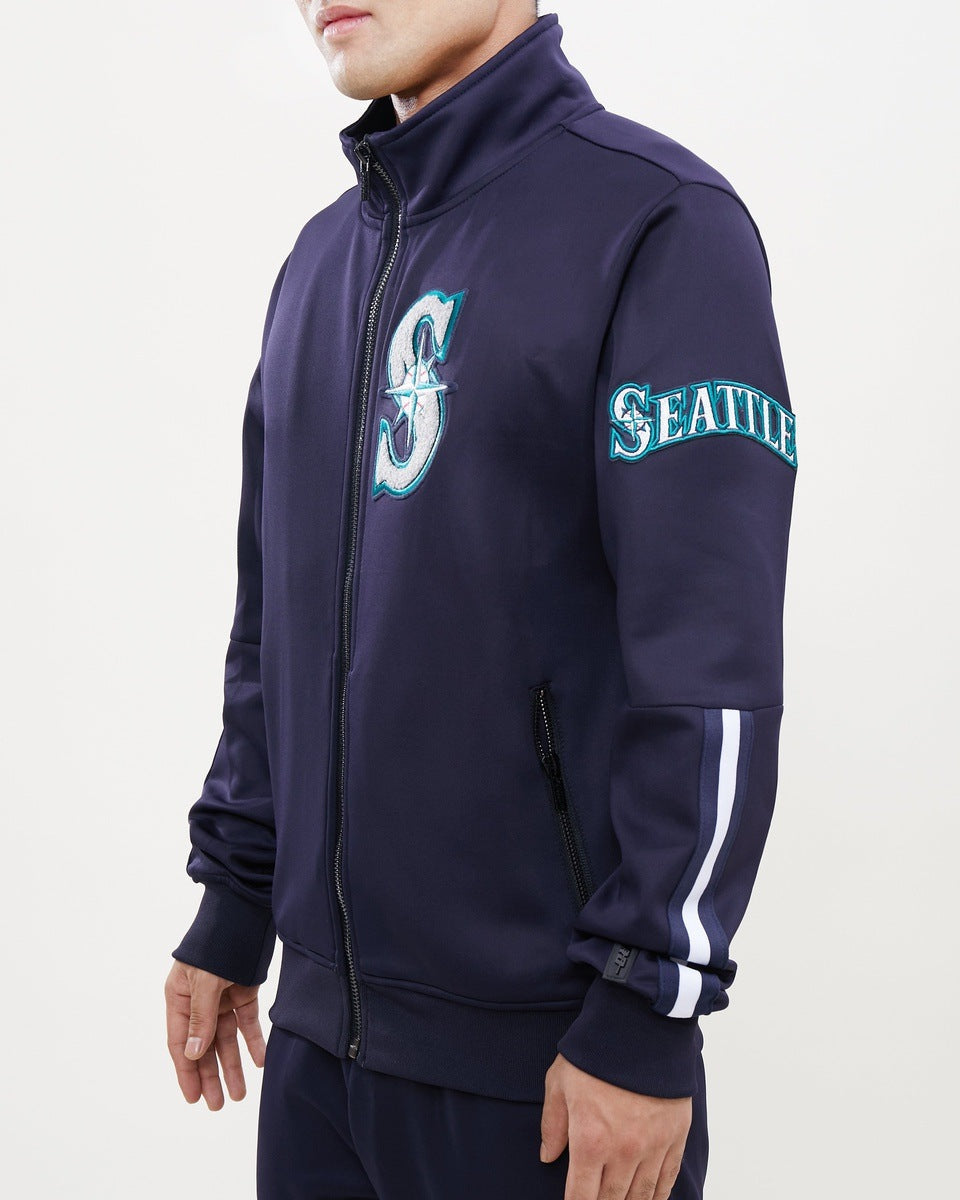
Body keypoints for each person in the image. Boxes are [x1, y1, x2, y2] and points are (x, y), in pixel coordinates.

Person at [164, 3, 797, 1198]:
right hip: (316, 1059)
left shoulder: (659, 226)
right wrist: (236, 898)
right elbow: (273, 629)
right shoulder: (318, 264)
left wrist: (646, 1004)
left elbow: (708, 669)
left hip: (550, 1073)